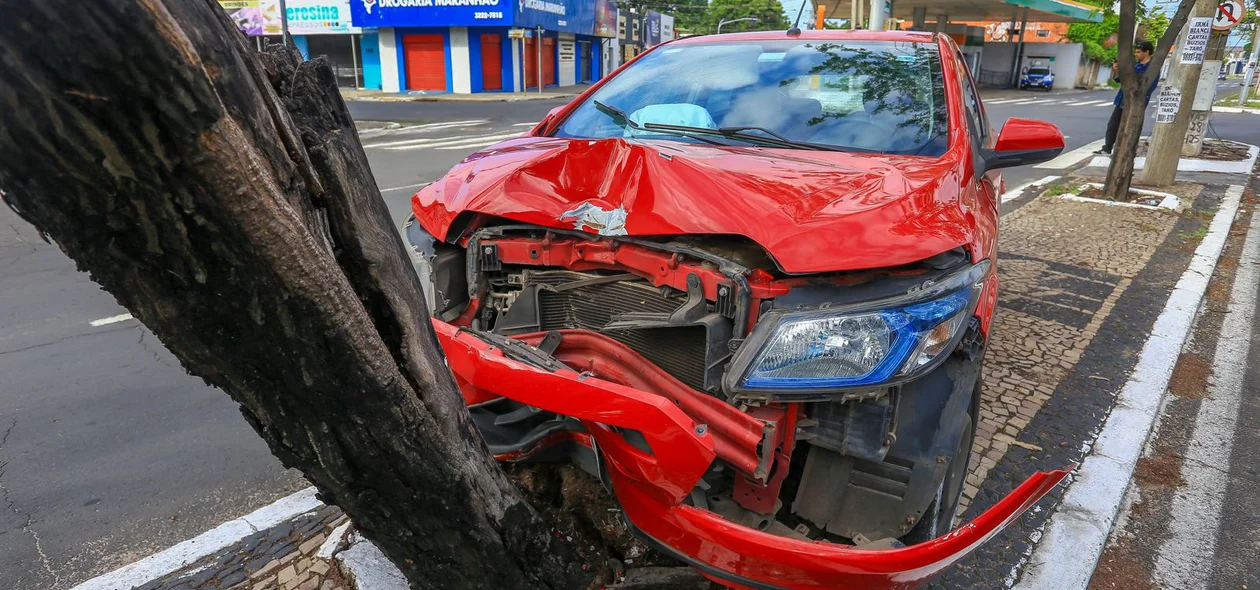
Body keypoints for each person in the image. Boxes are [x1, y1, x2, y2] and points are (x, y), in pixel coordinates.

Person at [1096, 41, 1160, 155]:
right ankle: (1107, 147)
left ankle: (1126, 150)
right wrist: (1117, 70)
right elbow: (1119, 80)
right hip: (1122, 99)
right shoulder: (1134, 65)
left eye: (1139, 52)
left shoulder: (1152, 69)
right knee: (1113, 125)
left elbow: (1149, 87)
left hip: (1135, 102)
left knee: (1129, 127)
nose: (1136, 54)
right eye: (1135, 52)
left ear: (1147, 52)